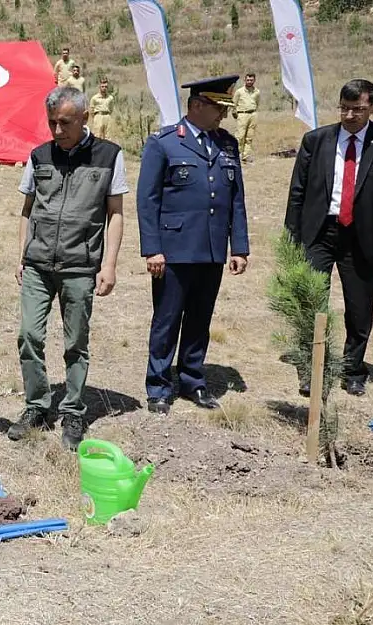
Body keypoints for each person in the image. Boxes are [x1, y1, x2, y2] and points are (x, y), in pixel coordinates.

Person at [9, 86, 126, 450]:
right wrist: (22, 256)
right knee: (29, 335)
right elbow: (26, 211)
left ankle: (73, 409)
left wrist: (109, 265)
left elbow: (116, 214)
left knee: (76, 341)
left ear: (85, 117)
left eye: (65, 122)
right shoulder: (39, 155)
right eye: (52, 123)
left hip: (81, 266)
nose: (57, 131)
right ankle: (37, 405)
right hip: (39, 264)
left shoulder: (109, 156)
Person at [136, 75, 250, 415]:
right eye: (218, 108)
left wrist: (239, 246)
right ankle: (158, 385)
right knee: (167, 319)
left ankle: (192, 380)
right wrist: (152, 249)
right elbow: (148, 200)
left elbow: (236, 200)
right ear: (197, 106)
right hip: (173, 249)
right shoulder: (165, 142)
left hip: (212, 248)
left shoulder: (227, 144)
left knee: (200, 319)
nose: (223, 116)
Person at [285, 79, 373, 397]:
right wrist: (290, 240)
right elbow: (297, 193)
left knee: (359, 307)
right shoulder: (316, 140)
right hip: (319, 232)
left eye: (358, 110)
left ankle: (353, 369)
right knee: (311, 302)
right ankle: (312, 370)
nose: (350, 116)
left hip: (361, 236)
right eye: (344, 109)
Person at [232, 72, 260, 163]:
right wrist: (235, 113)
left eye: (251, 80)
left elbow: (257, 103)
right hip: (242, 114)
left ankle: (246, 155)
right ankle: (237, 155)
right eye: (248, 80)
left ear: (254, 80)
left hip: (253, 114)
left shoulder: (257, 92)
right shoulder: (239, 91)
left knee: (249, 137)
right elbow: (234, 104)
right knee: (240, 136)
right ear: (245, 80)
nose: (249, 81)